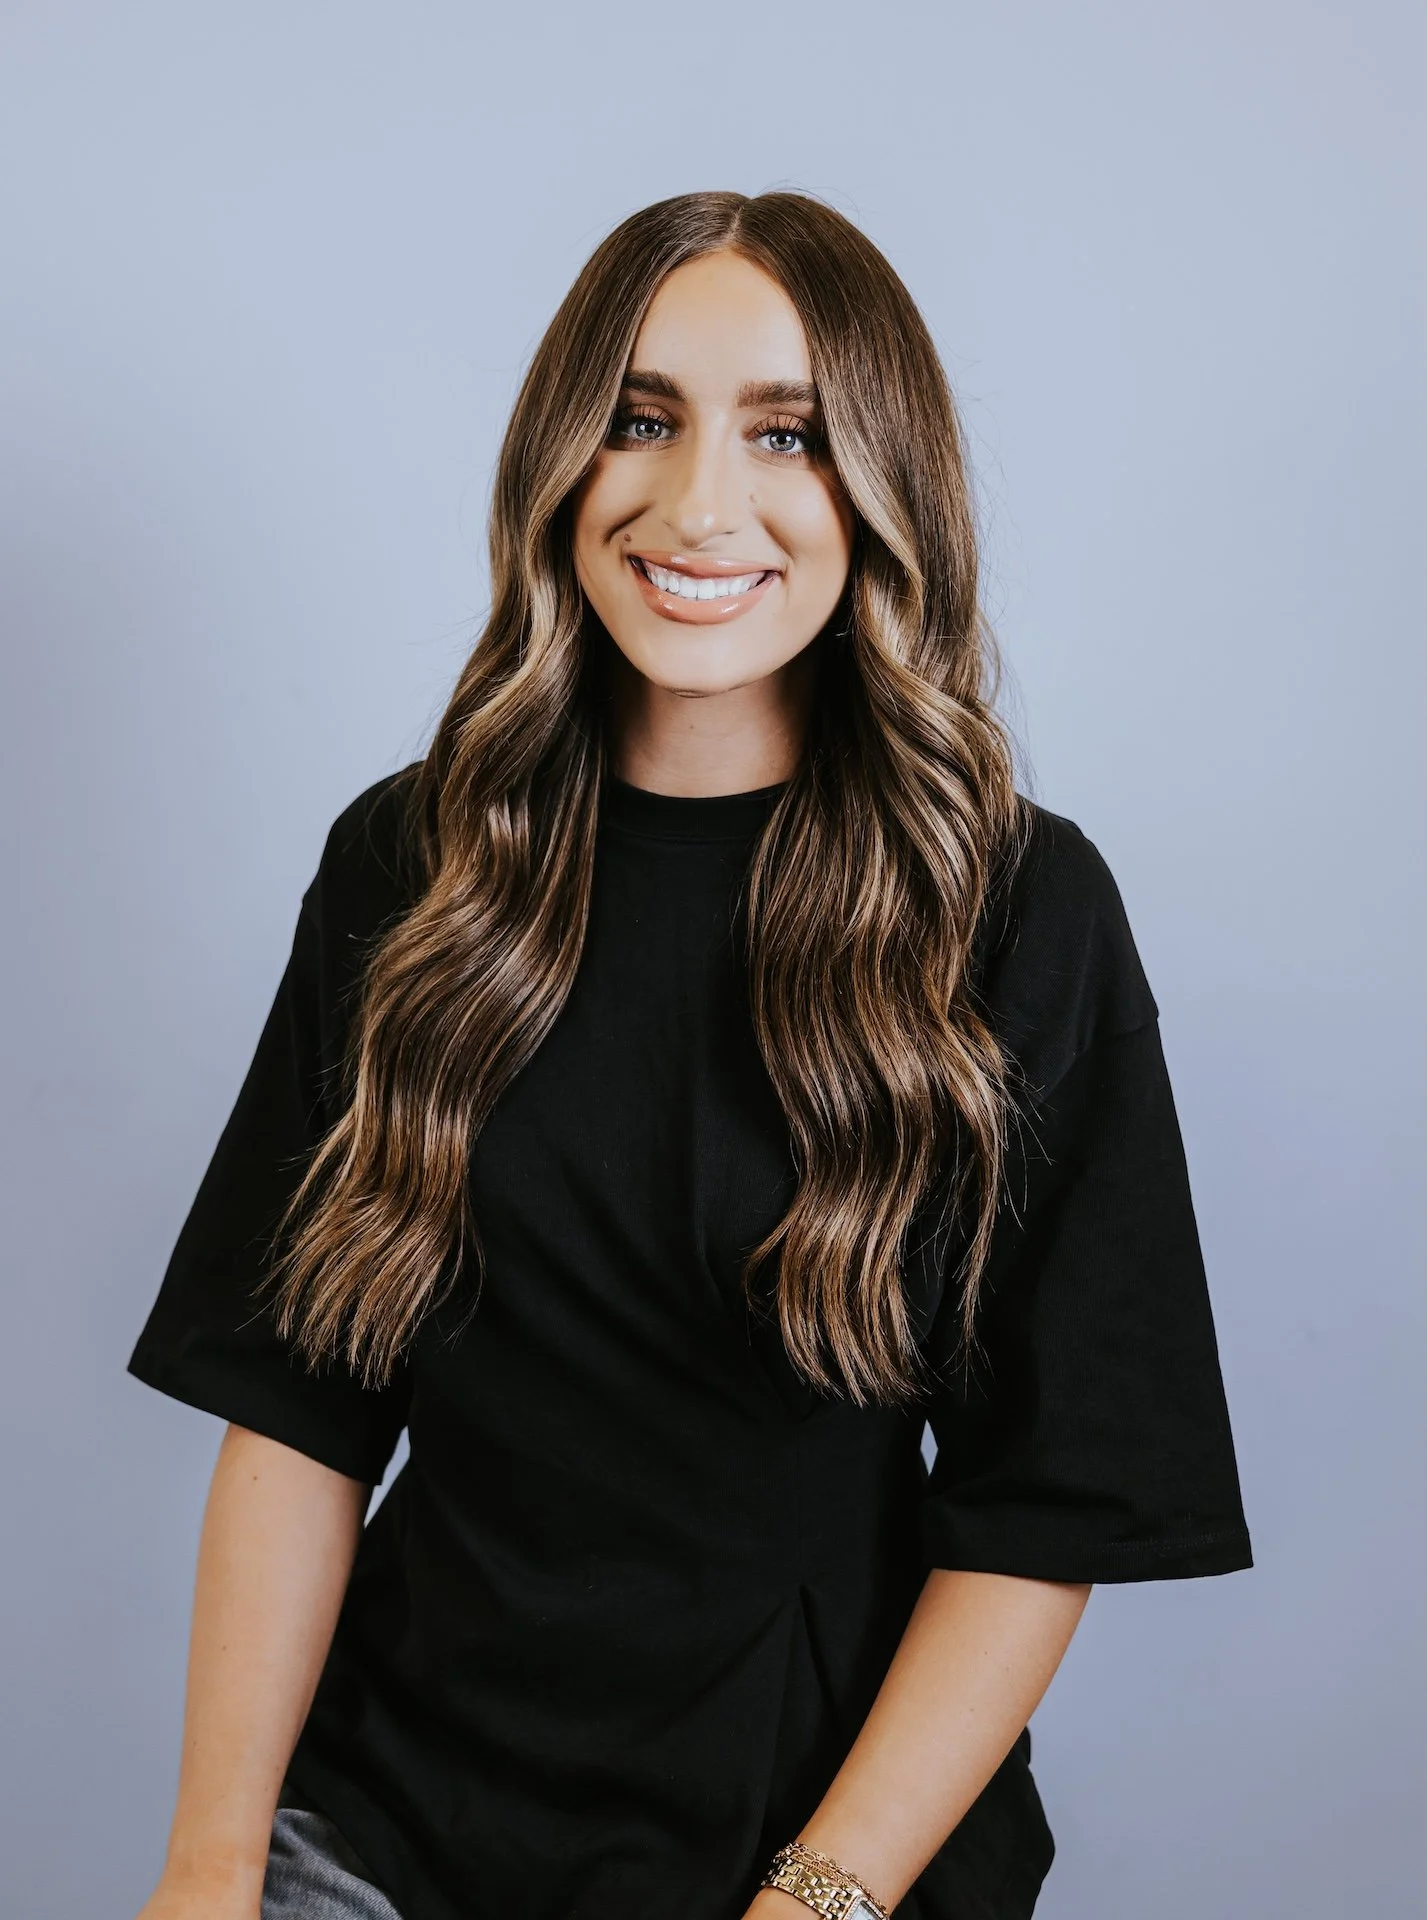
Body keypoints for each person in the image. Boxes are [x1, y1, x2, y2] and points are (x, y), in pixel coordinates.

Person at [127, 189, 1253, 1920]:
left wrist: (816, 1902)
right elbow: (300, 1414)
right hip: (386, 1836)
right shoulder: (414, 865)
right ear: (558, 459)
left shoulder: (1016, 911)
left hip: (815, 1855)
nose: (699, 503)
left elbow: (1042, 1512)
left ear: (880, 487)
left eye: (784, 435)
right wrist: (210, 1867)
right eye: (639, 419)